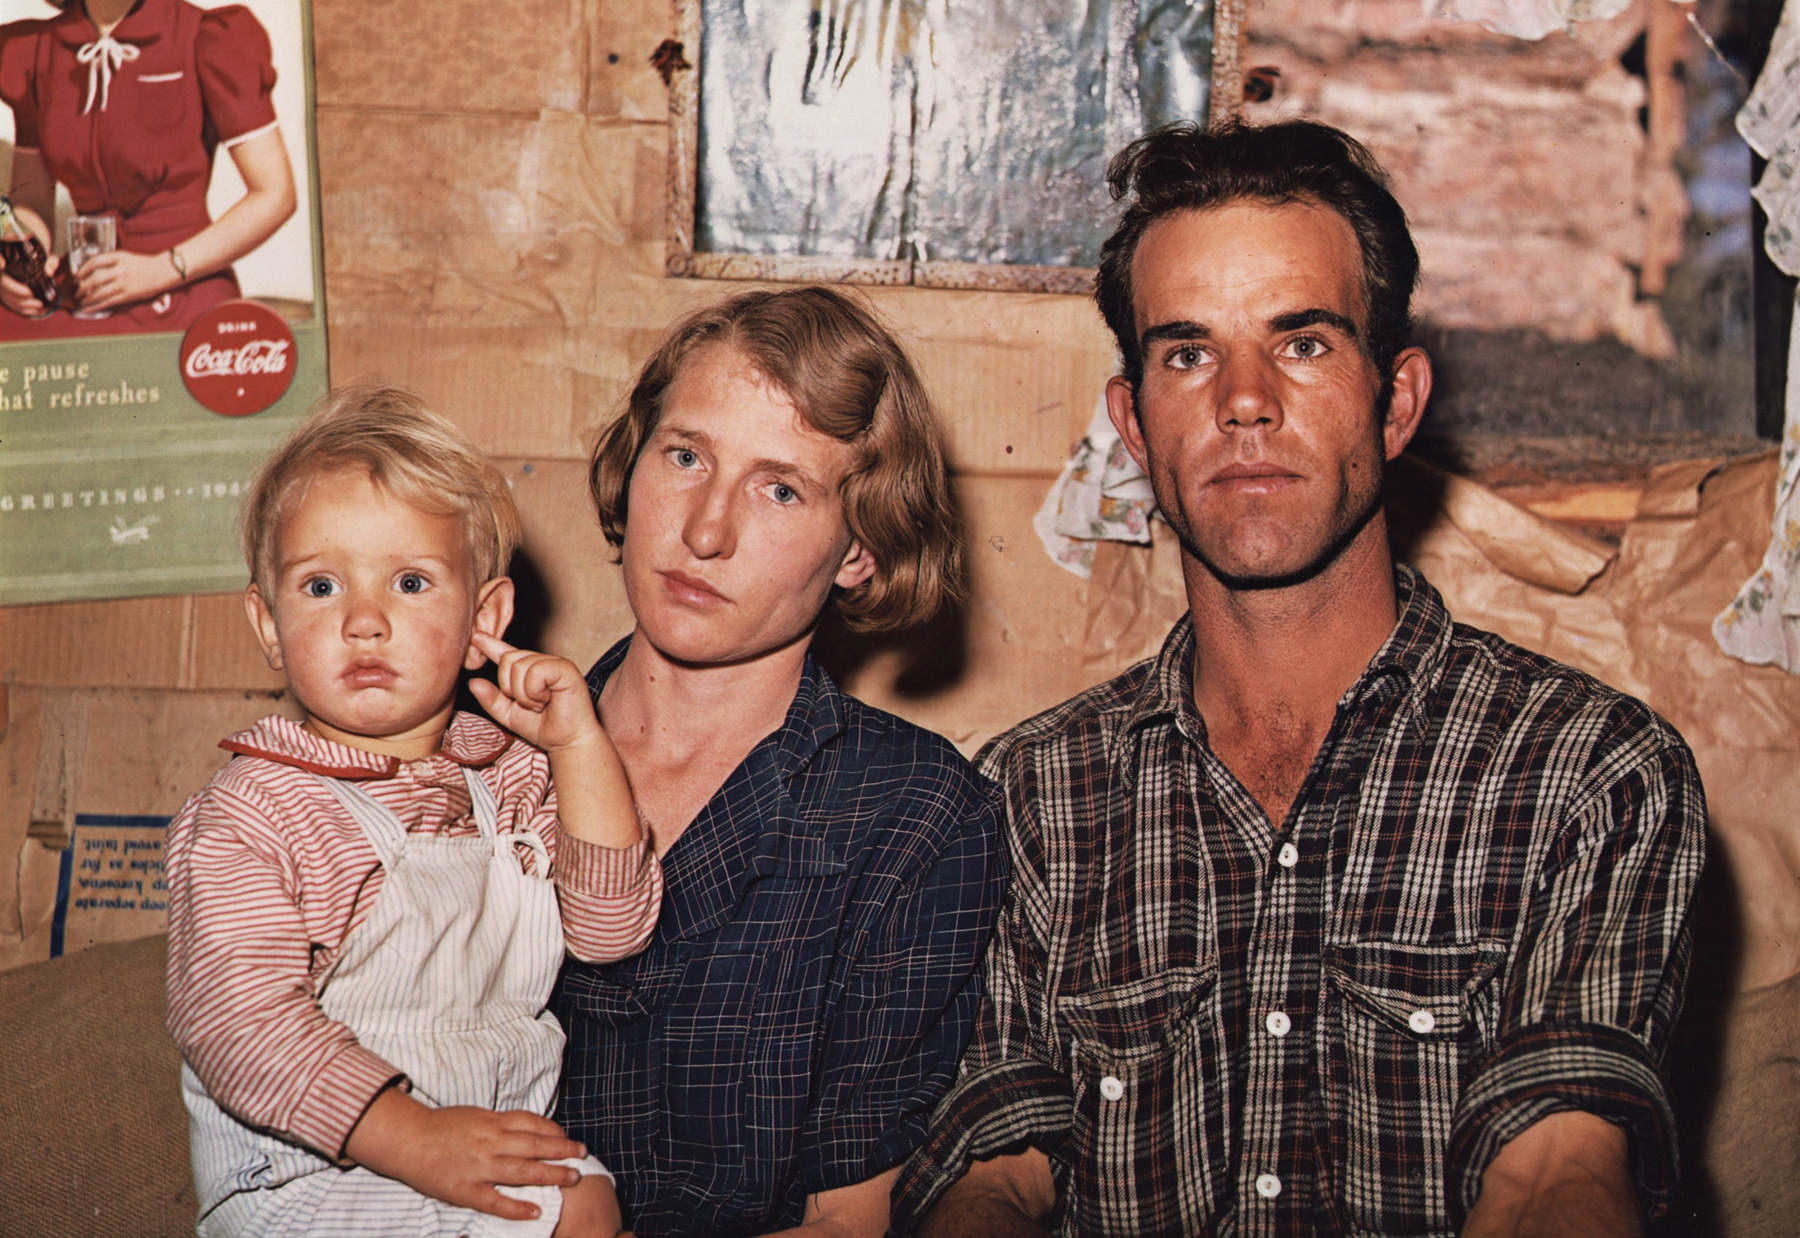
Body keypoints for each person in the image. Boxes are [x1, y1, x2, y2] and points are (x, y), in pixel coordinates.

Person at [895, 120, 1707, 1238]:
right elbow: (994, 1181)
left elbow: (1557, 1164)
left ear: (1399, 398)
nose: (1242, 400)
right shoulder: (1028, 797)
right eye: (1187, 352)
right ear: (1133, 425)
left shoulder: (1588, 772)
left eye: (1304, 343)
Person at [553, 285, 1006, 1238]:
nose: (704, 531)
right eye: (684, 457)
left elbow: (847, 1222)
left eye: (781, 488)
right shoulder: (481, 755)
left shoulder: (918, 817)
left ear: (859, 550)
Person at [165, 386, 663, 1237]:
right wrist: (416, 1137)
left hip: (463, 1151)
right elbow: (238, 1022)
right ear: (269, 622)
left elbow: (611, 928)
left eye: (409, 582)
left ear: (484, 620)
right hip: (302, 1177)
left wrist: (579, 749)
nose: (364, 620)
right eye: (321, 585)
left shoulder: (508, 783)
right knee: (563, 1212)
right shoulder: (255, 811)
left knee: (586, 1197)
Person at [0, 0, 296, 334]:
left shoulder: (205, 36)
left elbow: (275, 193)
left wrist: (162, 269)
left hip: (184, 286)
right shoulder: (36, 50)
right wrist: (20, 273)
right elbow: (33, 202)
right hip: (85, 290)